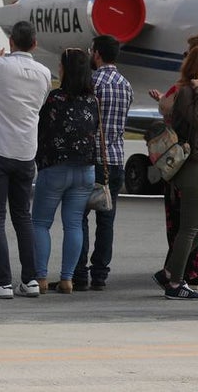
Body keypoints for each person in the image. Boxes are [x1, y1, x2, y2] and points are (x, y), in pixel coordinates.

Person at [0, 20, 51, 299]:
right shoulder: (44, 72)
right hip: (26, 152)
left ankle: (1, 282)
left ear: (11, 41)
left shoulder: (0, 66)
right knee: (23, 218)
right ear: (35, 44)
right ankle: (30, 280)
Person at [153, 45, 198, 301]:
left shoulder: (192, 91)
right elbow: (197, 121)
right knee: (191, 226)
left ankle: (170, 270)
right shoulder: (190, 91)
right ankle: (176, 282)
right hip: (192, 164)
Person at [31, 48, 97, 295]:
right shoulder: (93, 100)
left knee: (40, 223)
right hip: (85, 170)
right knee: (73, 225)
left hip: (55, 168)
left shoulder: (55, 99)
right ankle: (67, 278)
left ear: (65, 69)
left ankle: (41, 277)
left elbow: (42, 128)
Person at [73, 34, 132, 291]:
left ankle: (79, 271)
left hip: (91, 159)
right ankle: (100, 273)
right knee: (107, 219)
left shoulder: (92, 82)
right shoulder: (125, 84)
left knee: (80, 217)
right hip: (116, 159)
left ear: (96, 53)